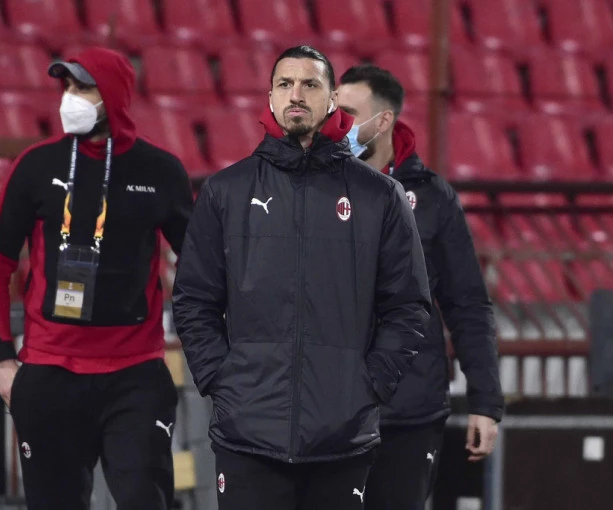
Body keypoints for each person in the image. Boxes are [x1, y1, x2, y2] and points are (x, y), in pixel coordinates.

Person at [171, 45, 432, 510]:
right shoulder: (226, 192)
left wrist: (369, 384)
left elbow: (408, 306)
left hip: (342, 436)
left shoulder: (380, 196)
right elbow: (194, 300)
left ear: (332, 99)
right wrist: (221, 379)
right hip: (247, 432)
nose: (296, 94)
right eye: (285, 84)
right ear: (270, 98)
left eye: (310, 84)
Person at [0, 47, 193, 510]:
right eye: (67, 86)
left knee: (143, 500)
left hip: (135, 374)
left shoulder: (161, 171)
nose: (69, 97)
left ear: (112, 94)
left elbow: (201, 266)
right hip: (49, 374)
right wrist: (1, 359)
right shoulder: (36, 166)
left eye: (83, 87)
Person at [337, 64, 504, 510]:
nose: (337, 124)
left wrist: (485, 401)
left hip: (410, 412)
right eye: (334, 112)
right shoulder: (312, 188)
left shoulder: (433, 198)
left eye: (349, 114)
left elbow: (467, 303)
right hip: (328, 412)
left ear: (384, 121)